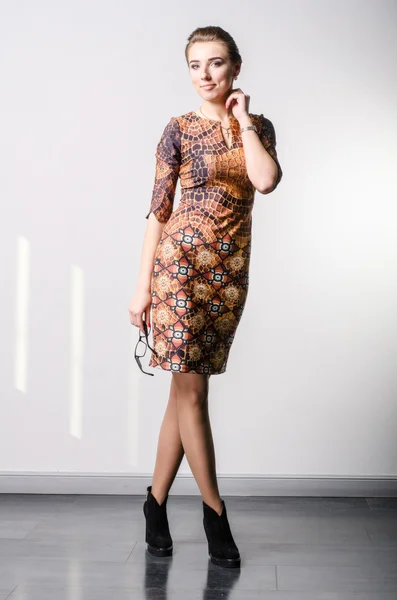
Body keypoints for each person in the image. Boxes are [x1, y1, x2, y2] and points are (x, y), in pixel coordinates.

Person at [128, 25, 283, 569]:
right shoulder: (177, 130)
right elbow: (158, 210)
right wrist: (142, 285)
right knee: (193, 395)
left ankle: (154, 503)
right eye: (196, 65)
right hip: (178, 273)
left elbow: (264, 181)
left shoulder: (257, 128)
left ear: (235, 68)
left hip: (229, 274)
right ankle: (216, 515)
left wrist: (241, 121)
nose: (206, 74)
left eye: (216, 63)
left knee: (183, 393)